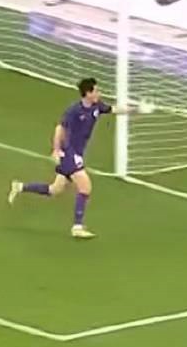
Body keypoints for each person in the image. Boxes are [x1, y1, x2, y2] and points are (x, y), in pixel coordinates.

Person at [7, 77, 131, 239]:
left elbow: (113, 109)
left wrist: (136, 110)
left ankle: (20, 187)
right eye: (96, 91)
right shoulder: (74, 110)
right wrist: (56, 149)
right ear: (88, 93)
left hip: (77, 153)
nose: (99, 93)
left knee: (54, 189)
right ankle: (77, 227)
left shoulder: (97, 106)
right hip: (69, 153)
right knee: (85, 187)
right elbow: (60, 128)